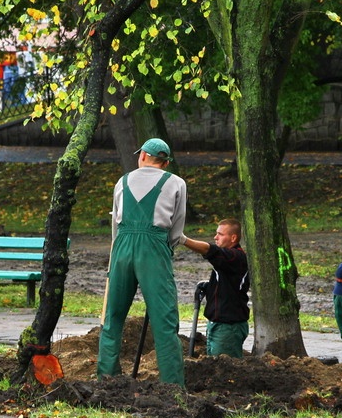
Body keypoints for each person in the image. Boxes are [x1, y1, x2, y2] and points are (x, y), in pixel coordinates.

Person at [98, 138, 188, 386]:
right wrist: (162, 250)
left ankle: (107, 379)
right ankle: (172, 385)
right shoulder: (176, 183)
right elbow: (176, 233)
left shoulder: (122, 181)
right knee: (164, 320)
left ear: (143, 157)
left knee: (113, 316)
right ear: (166, 162)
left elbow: (116, 224)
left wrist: (116, 258)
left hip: (122, 249)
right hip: (155, 249)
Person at [181, 219, 250, 358]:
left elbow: (210, 251)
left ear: (233, 238)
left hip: (228, 328)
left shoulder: (235, 257)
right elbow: (228, 283)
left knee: (226, 371)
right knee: (214, 366)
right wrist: (208, 287)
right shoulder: (227, 261)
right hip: (217, 325)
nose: (215, 237)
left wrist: (182, 240)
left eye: (220, 234)